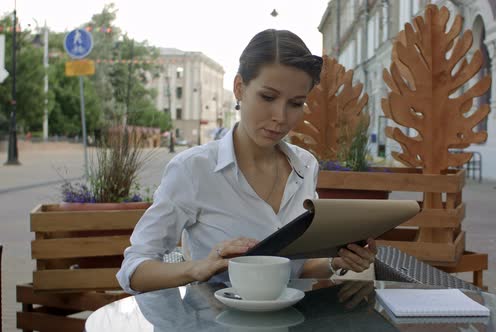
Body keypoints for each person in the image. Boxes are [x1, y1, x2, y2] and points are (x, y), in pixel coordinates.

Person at [117, 29, 377, 294]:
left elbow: (296, 270)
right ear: (239, 88)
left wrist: (336, 261)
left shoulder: (305, 165)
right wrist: (199, 268)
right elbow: (133, 271)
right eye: (268, 97)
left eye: (296, 103)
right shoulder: (193, 169)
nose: (280, 116)